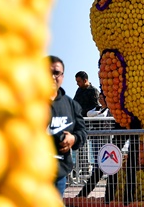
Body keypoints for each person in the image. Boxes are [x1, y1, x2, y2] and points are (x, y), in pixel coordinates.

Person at [48, 55, 88, 200]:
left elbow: (82, 132)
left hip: (59, 174)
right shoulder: (28, 102)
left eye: (56, 73)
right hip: (32, 175)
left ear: (62, 76)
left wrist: (73, 139)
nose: (52, 77)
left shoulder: (71, 105)